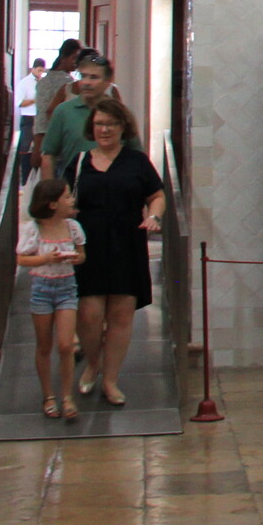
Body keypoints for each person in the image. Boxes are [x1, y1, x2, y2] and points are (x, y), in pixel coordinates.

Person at [64, 95, 164, 406]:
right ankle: (93, 363)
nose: (104, 129)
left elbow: (156, 195)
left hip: (126, 244)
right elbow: (62, 199)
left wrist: (154, 216)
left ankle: (110, 379)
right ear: (91, 127)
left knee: (121, 314)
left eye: (110, 124)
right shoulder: (79, 162)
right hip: (88, 247)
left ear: (123, 127)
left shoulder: (137, 161)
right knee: (89, 315)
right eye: (99, 124)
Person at [17, 174, 87, 421]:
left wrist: (76, 258)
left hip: (67, 287)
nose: (71, 200)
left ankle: (67, 396)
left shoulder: (73, 227)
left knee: (66, 344)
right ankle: (48, 395)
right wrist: (46, 258)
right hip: (42, 289)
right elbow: (22, 258)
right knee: (44, 345)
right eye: (66, 196)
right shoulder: (33, 229)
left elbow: (82, 253)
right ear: (52, 204)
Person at [39, 50, 125, 181]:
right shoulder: (63, 111)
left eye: (94, 77)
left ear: (107, 82)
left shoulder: (119, 113)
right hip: (74, 186)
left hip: (114, 186)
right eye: (83, 76)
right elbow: (48, 155)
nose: (86, 82)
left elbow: (136, 153)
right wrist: (49, 191)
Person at [30, 41, 82, 171]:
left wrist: (37, 145)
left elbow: (40, 118)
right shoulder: (68, 83)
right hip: (60, 142)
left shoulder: (43, 81)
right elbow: (45, 115)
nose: (76, 62)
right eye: (74, 57)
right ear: (64, 57)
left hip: (45, 140)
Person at [15, 57, 44, 163]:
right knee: (26, 146)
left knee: (40, 146)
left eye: (42, 71)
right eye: (39, 70)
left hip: (41, 118)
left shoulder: (43, 83)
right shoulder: (24, 83)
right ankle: (24, 169)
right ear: (33, 69)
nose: (40, 73)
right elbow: (19, 103)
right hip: (28, 118)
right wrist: (34, 100)